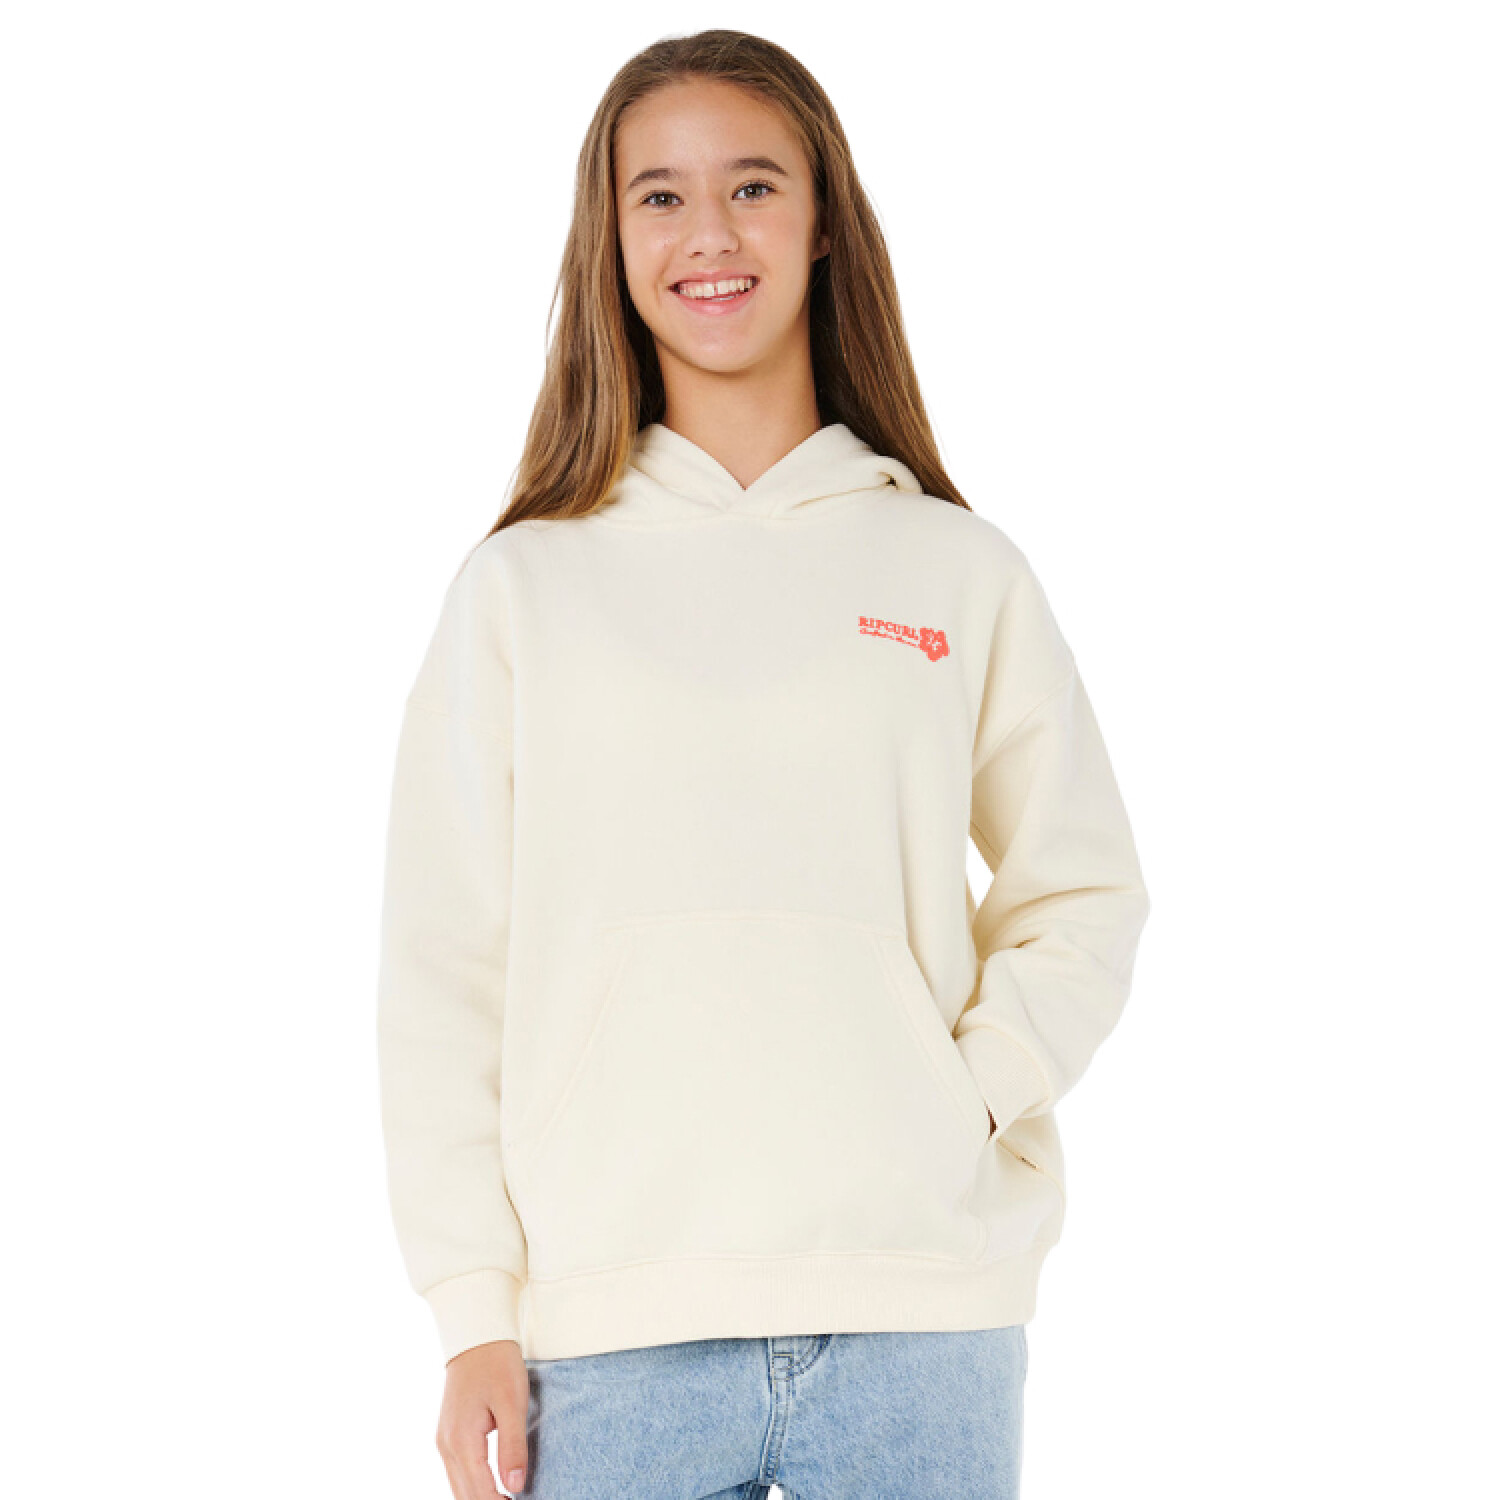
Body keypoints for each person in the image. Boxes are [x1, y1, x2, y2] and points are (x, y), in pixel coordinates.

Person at [375, 28, 1150, 1500]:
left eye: (752, 186)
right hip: (609, 1333)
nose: (710, 235)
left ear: (822, 221)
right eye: (658, 197)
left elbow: (1083, 890)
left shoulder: (954, 568)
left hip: (921, 1315)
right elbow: (442, 968)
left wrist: (964, 1091)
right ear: (609, 243)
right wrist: (470, 1310)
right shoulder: (523, 589)